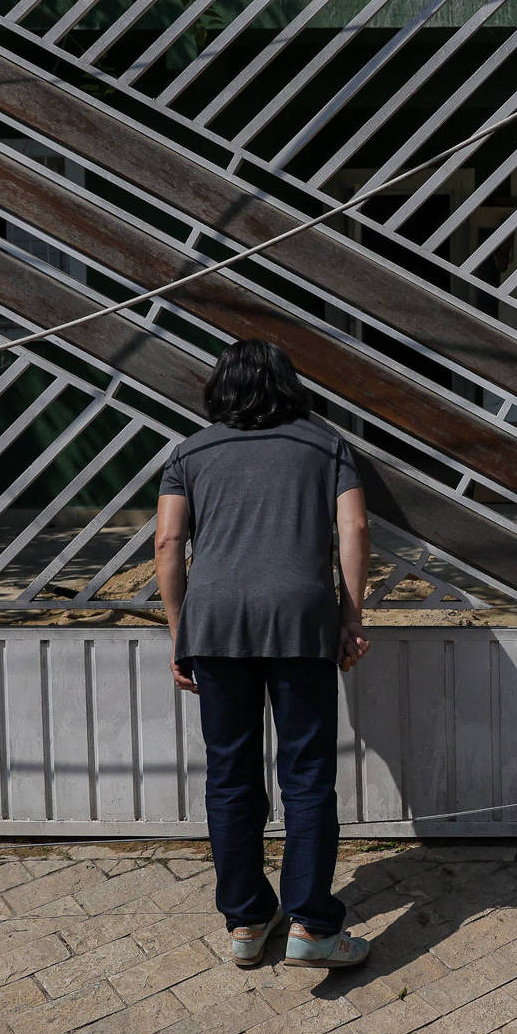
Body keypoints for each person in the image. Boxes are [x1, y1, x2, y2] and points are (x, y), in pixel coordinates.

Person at [155, 339, 373, 971]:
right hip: (300, 618)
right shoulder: (325, 444)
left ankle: (248, 922)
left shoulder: (190, 453)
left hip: (216, 622)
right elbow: (354, 528)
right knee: (306, 773)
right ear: (289, 385)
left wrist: (180, 629)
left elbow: (169, 540)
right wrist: (351, 615)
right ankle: (311, 925)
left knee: (230, 772)